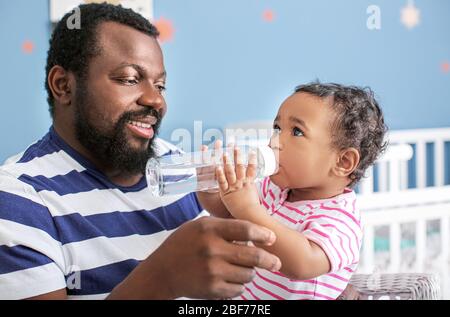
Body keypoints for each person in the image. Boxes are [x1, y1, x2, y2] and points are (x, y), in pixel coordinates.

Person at [0, 3, 282, 300]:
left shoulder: (176, 164)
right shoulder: (18, 200)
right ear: (63, 85)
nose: (155, 100)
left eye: (160, 86)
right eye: (129, 79)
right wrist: (162, 278)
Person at [198, 82, 387, 299]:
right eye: (277, 128)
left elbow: (302, 264)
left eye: (297, 131)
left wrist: (248, 209)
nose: (275, 141)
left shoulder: (341, 219)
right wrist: (212, 189)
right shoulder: (274, 189)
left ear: (343, 161)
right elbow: (228, 211)